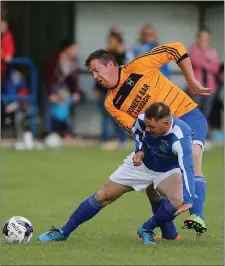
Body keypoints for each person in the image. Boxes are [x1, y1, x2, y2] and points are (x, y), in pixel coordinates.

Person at [84, 41, 209, 234]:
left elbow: (176, 48)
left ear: (110, 64)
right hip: (159, 134)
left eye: (96, 70)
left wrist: (191, 80)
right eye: (91, 73)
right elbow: (135, 128)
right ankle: (169, 234)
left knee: (193, 154)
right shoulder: (111, 102)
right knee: (151, 181)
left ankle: (197, 216)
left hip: (186, 114)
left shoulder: (138, 65)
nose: (95, 76)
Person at [38, 103, 195, 244]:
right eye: (146, 125)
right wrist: (139, 151)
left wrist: (188, 199)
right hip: (142, 165)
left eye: (152, 127)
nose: (148, 129)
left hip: (167, 171)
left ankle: (147, 228)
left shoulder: (180, 138)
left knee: (178, 200)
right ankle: (63, 232)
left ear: (166, 124)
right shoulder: (143, 120)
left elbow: (187, 168)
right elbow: (138, 132)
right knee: (103, 196)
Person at [187, 29, 219, 120]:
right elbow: (195, 61)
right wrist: (205, 54)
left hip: (210, 86)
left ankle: (203, 132)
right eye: (202, 37)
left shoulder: (212, 50)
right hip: (196, 86)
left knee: (206, 112)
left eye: (206, 38)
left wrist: (204, 63)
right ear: (198, 38)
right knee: (195, 111)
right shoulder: (192, 49)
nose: (204, 40)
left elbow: (215, 68)